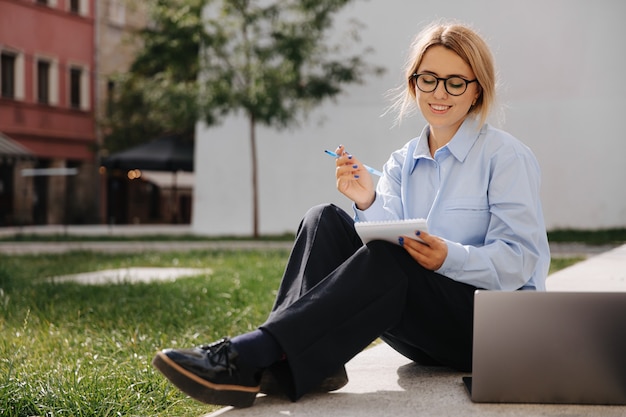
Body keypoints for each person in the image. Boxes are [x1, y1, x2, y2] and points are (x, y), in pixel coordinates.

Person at [151, 21, 550, 408]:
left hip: (486, 334)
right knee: (322, 217)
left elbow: (520, 261)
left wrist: (451, 256)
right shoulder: (401, 162)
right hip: (422, 330)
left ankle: (251, 353)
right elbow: (389, 236)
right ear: (413, 84)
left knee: (389, 258)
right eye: (428, 79)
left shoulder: (505, 157)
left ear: (477, 91)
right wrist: (366, 201)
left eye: (455, 81)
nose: (439, 92)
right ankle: (305, 362)